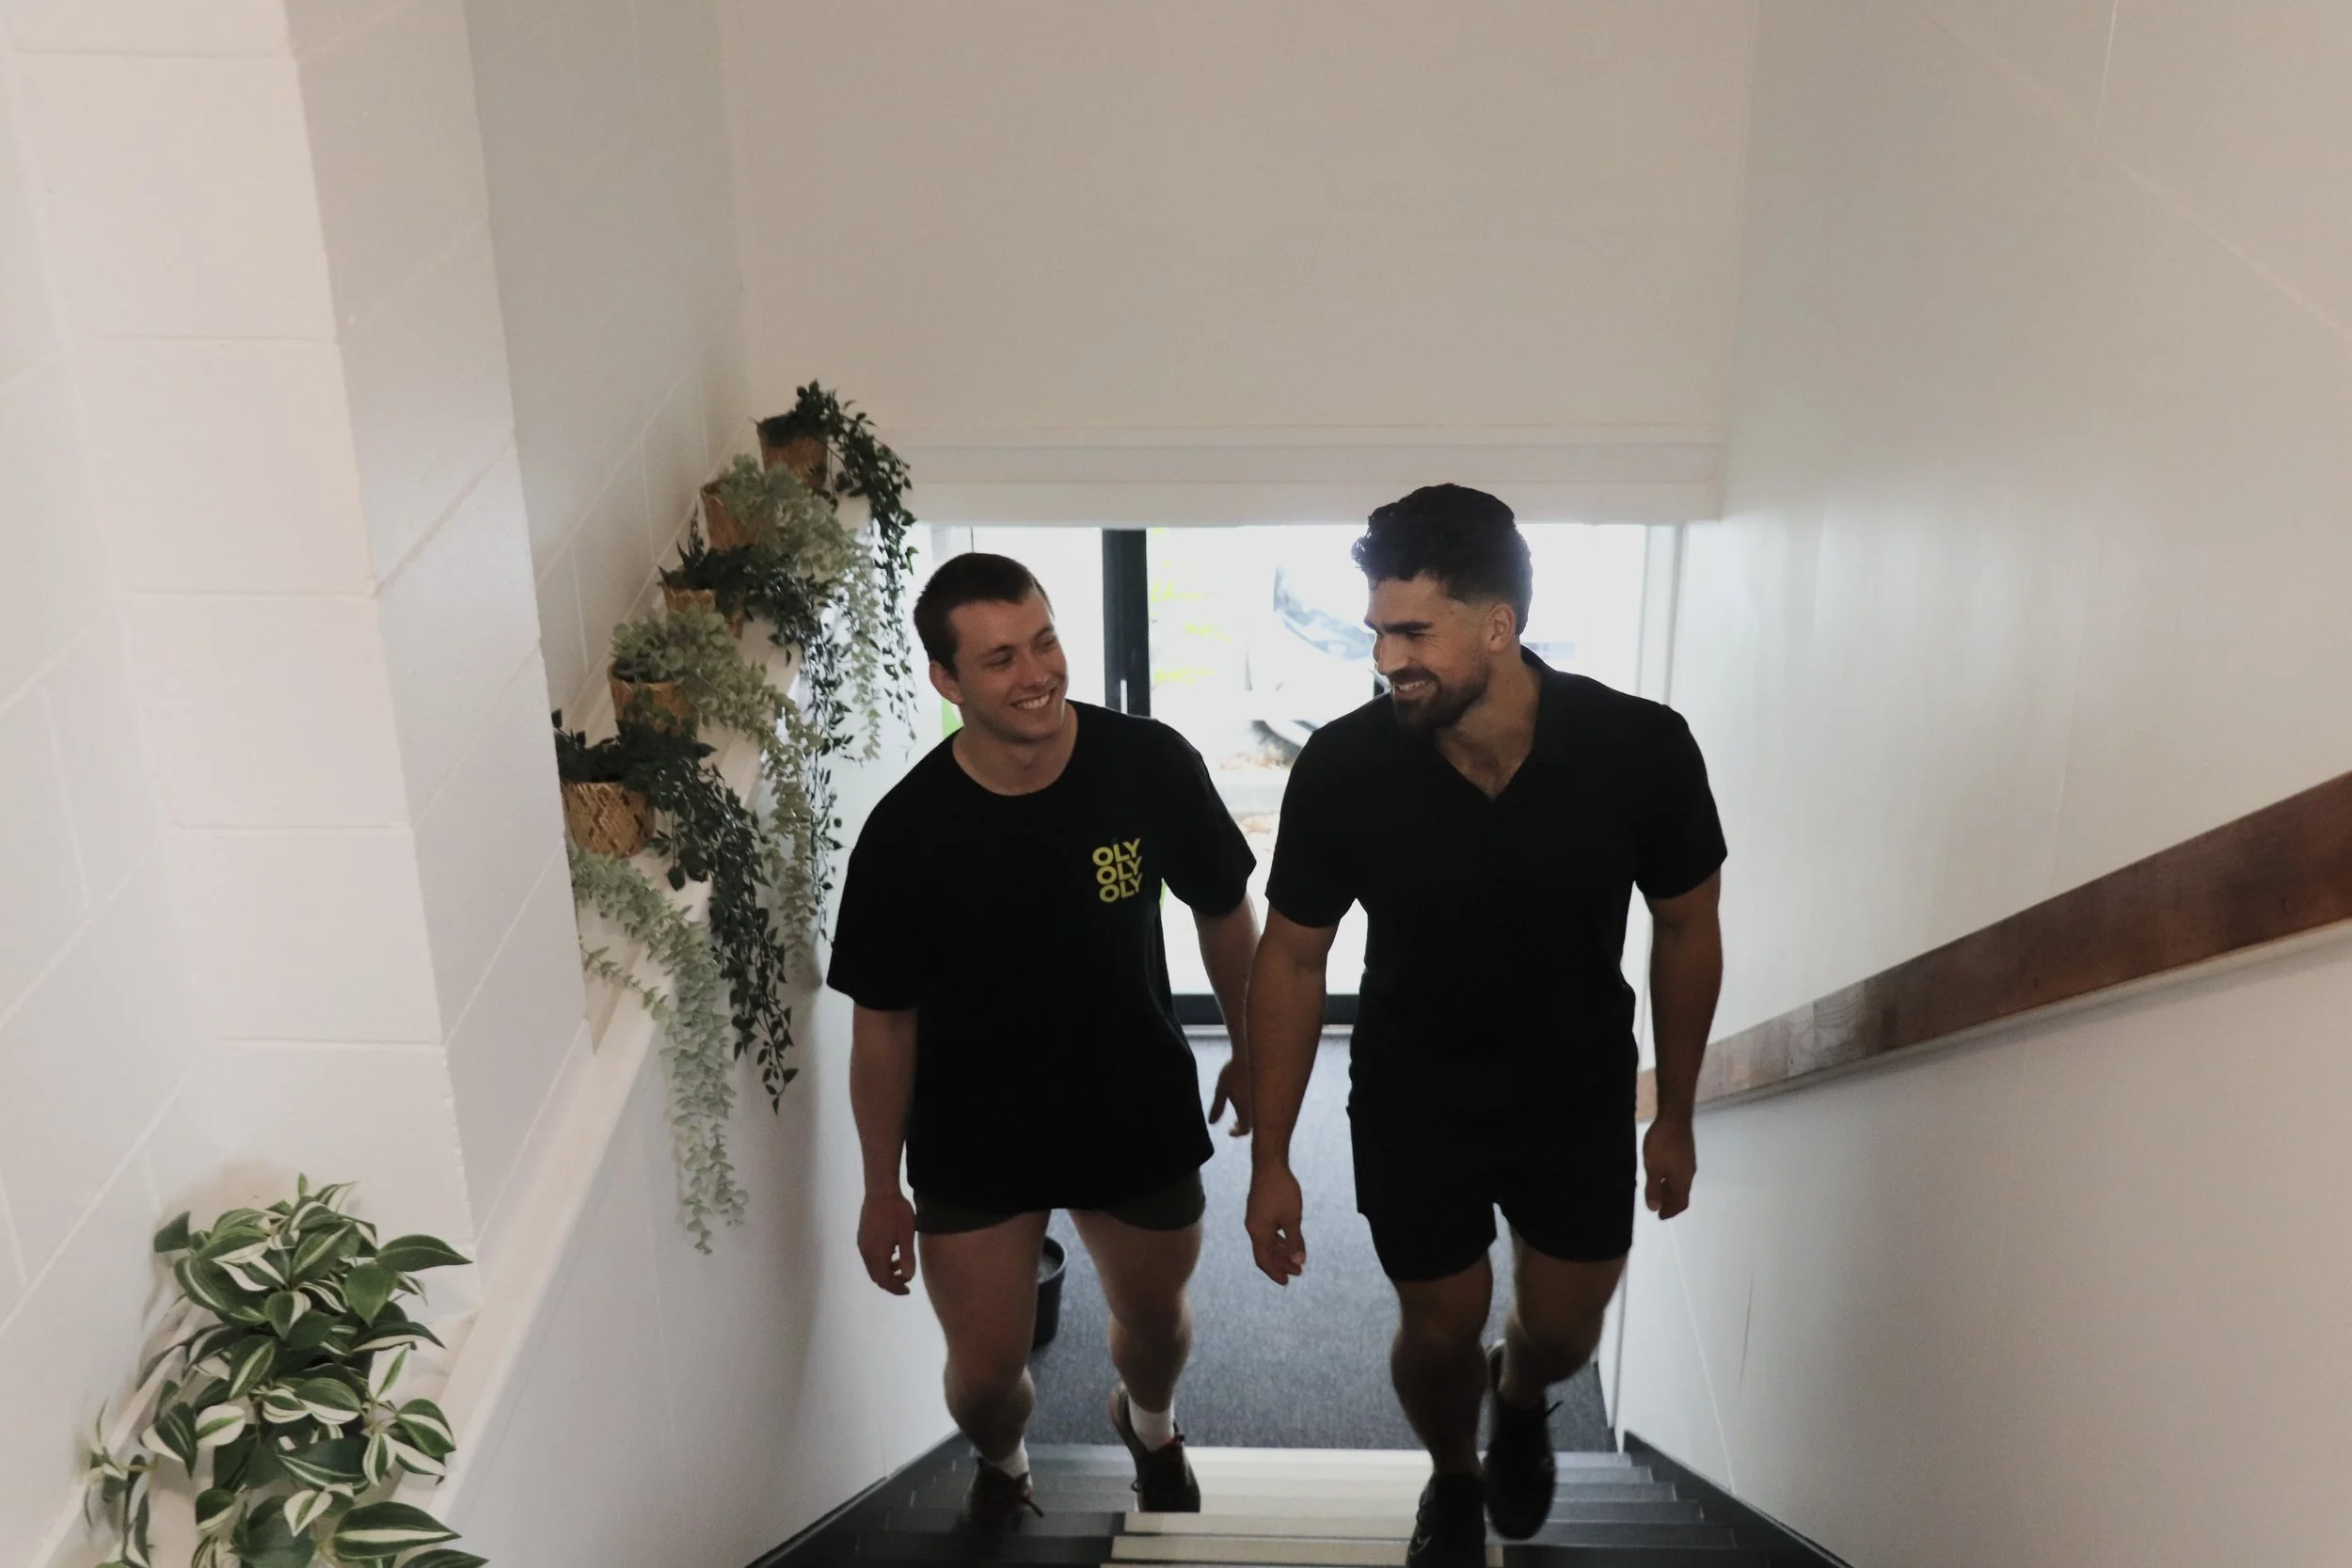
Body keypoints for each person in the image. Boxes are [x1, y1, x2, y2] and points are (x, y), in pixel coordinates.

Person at [1243, 486, 1725, 1568]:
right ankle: (1454, 1478)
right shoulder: (1346, 767)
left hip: (1576, 1089)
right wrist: (1273, 1156)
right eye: (1378, 631)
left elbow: (1688, 925)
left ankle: (1520, 1392)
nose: (1386, 657)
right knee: (1436, 1323)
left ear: (1498, 625)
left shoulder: (1638, 748)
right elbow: (1293, 955)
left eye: (1413, 632)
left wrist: (1675, 1113)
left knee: (1560, 1330)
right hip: (1417, 1089)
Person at [830, 552, 1261, 1529]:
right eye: (998, 659)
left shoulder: (1148, 763)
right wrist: (876, 1183)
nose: (1036, 673)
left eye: (1045, 640)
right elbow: (882, 1022)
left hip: (1132, 1099)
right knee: (983, 1378)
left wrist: (1251, 1045)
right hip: (976, 1129)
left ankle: (1149, 1423)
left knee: (1154, 1325)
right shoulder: (905, 834)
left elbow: (1226, 906)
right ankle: (1005, 1457)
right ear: (946, 680)